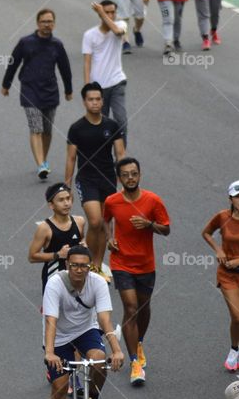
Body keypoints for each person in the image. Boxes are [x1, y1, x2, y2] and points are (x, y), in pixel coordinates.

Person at [104, 157, 170, 386]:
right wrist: (109, 238)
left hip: (146, 265)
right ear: (119, 178)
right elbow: (105, 221)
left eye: (134, 173)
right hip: (121, 263)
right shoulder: (112, 201)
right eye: (125, 174)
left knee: (143, 308)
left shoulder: (153, 200)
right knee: (130, 307)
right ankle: (135, 363)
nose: (130, 178)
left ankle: (138, 342)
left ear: (139, 175)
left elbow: (166, 230)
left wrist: (149, 225)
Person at [43, 246, 125, 399]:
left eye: (83, 266)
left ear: (90, 267)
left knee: (99, 360)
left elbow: (104, 318)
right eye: (74, 265)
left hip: (85, 331)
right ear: (67, 265)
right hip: (59, 336)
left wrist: (117, 350)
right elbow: (50, 321)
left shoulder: (98, 283)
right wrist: (49, 353)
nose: (79, 270)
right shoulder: (54, 284)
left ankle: (92, 396)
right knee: (60, 388)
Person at [2, 9, 73, 180]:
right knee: (36, 128)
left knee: (47, 130)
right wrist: (7, 84)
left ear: (54, 24)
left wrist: (68, 89)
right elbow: (13, 63)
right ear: (37, 23)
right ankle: (41, 164)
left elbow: (65, 68)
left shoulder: (57, 45)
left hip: (50, 91)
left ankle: (44, 159)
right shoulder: (26, 43)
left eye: (50, 21)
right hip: (29, 90)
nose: (47, 25)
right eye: (43, 21)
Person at [65, 82, 126, 276]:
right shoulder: (77, 128)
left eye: (98, 99)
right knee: (95, 221)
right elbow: (71, 158)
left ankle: (97, 266)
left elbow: (120, 154)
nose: (95, 103)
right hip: (86, 179)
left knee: (104, 224)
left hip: (107, 179)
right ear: (84, 102)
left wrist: (125, 180)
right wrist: (67, 187)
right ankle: (87, 259)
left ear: (102, 100)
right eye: (91, 99)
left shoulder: (112, 125)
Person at [202, 180, 239, 373]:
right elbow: (206, 233)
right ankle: (233, 349)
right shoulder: (222, 217)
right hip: (228, 274)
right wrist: (219, 250)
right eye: (238, 196)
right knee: (238, 316)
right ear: (230, 198)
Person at [82, 0, 129, 145]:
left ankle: (121, 155)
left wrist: (102, 13)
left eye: (112, 12)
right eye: (106, 12)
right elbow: (87, 62)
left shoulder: (121, 25)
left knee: (121, 120)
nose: (110, 14)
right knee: (101, 124)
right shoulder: (90, 35)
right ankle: (103, 154)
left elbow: (117, 32)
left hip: (117, 82)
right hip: (98, 87)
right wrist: (87, 87)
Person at [29, 183, 86, 293]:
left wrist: (84, 244)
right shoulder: (45, 228)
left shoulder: (79, 221)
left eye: (68, 198)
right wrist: (58, 255)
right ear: (51, 205)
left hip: (77, 275)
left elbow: (82, 240)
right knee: (54, 310)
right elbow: (32, 257)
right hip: (54, 277)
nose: (66, 203)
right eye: (61, 200)